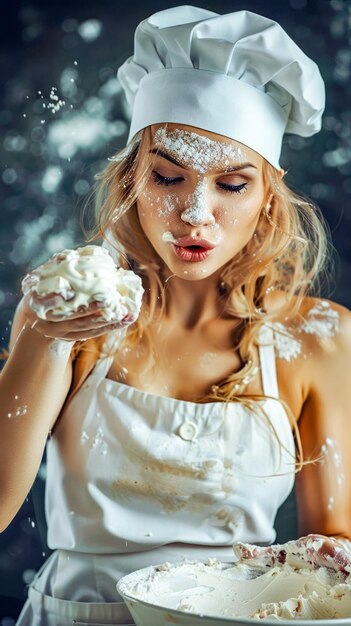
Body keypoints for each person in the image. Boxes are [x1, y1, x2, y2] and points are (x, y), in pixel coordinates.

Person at [1, 5, 351, 625]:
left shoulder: (319, 338)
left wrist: (331, 555)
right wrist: (42, 341)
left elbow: (330, 547)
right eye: (168, 177)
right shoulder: (68, 316)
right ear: (133, 178)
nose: (195, 212)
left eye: (232, 185)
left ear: (268, 192)